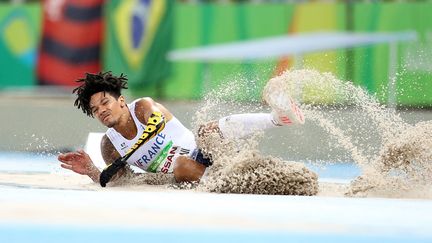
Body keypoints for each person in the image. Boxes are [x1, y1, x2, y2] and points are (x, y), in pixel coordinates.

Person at [58, 71, 304, 186]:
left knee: (205, 131)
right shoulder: (109, 145)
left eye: (105, 102)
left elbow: (156, 122)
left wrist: (138, 142)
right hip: (187, 174)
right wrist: (93, 171)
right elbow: (124, 182)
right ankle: (225, 183)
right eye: (95, 109)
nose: (101, 110)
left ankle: (278, 118)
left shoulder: (142, 107)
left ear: (120, 101)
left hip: (209, 152)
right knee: (182, 166)